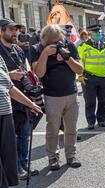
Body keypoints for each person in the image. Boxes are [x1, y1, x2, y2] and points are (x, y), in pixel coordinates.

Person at [31, 24, 83, 171]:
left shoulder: (69, 46)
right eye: (53, 42)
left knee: (71, 128)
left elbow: (80, 69)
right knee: (53, 129)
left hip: (71, 93)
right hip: (52, 96)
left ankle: (71, 156)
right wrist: (45, 55)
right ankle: (53, 159)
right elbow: (39, 73)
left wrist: (67, 58)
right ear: (45, 41)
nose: (57, 44)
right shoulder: (37, 49)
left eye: (59, 41)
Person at [0, 18, 39, 180]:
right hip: (7, 101)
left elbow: (25, 68)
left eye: (16, 29)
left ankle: (23, 164)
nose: (15, 33)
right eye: (11, 29)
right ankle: (15, 169)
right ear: (1, 31)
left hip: (23, 97)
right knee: (12, 138)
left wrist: (32, 78)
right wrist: (10, 75)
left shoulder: (17, 49)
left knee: (25, 134)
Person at [0, 55, 42, 188]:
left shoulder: (0, 59)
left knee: (6, 153)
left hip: (5, 112)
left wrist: (31, 104)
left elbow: (10, 88)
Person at [77, 24, 105, 129]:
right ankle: (91, 121)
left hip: (104, 78)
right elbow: (79, 61)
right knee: (90, 101)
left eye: (99, 32)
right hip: (89, 78)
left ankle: (101, 119)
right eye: (96, 33)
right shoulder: (84, 46)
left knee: (104, 100)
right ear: (90, 34)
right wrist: (80, 75)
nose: (99, 34)